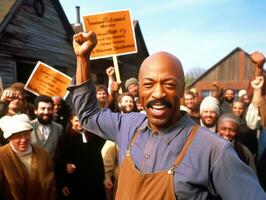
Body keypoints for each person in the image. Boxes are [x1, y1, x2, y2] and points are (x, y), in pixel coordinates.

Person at [69, 31, 266, 199]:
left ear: (182, 90)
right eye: (148, 84)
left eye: (169, 84)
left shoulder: (213, 149)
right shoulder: (127, 126)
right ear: (139, 90)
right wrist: (82, 59)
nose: (158, 93)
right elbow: (88, 114)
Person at [0, 114, 55, 199]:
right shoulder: (2, 156)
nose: (24, 139)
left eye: (26, 134)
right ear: (9, 138)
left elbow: (51, 186)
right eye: (18, 136)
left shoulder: (43, 154)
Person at [54, 112, 106, 200]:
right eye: (77, 121)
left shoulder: (95, 136)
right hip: (74, 184)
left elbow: (98, 158)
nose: (80, 123)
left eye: (82, 120)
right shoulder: (65, 138)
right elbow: (59, 160)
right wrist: (63, 181)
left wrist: (102, 178)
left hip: (93, 183)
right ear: (71, 121)